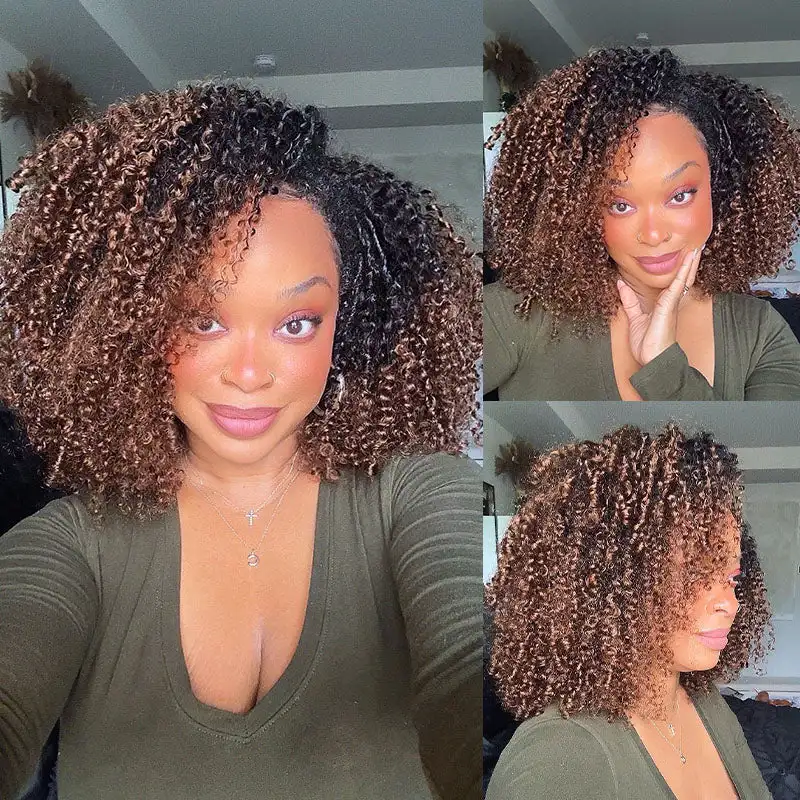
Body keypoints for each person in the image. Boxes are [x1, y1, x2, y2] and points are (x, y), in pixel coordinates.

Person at [0, 84, 482, 800]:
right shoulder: (72, 546)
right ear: (130, 325)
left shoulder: (415, 498)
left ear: (346, 325)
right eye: (203, 320)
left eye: (296, 324)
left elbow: (471, 668)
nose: (251, 374)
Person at [484, 47, 800, 400]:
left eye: (679, 195)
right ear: (579, 210)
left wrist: (666, 368)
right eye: (619, 205)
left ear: (720, 186)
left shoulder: (760, 334)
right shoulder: (518, 314)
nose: (653, 234)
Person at [485, 424, 772, 799]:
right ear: (612, 581)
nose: (730, 602)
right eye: (695, 574)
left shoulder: (706, 702)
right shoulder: (556, 759)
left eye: (731, 577)